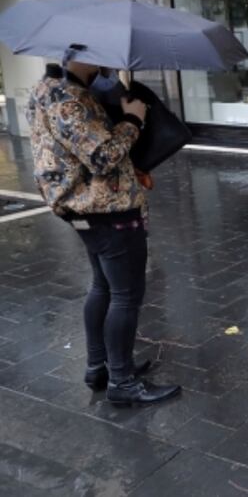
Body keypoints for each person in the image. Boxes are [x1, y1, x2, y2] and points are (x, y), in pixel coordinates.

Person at [27, 62, 181, 407]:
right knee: (126, 295)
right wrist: (133, 119)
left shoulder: (46, 88)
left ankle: (100, 367)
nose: (107, 65)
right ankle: (122, 382)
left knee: (103, 286)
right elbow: (102, 157)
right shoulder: (70, 98)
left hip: (85, 208)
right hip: (108, 211)